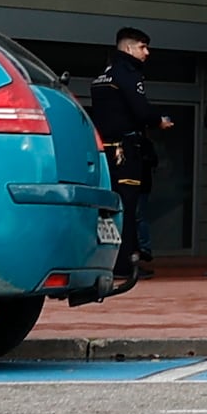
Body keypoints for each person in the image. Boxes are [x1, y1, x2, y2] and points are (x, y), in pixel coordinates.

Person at [81, 27, 169, 251]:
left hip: (105, 152)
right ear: (129, 48)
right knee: (128, 208)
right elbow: (141, 110)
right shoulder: (128, 74)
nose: (147, 52)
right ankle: (126, 262)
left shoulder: (102, 76)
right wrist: (159, 120)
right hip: (125, 151)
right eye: (142, 47)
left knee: (106, 208)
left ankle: (105, 257)